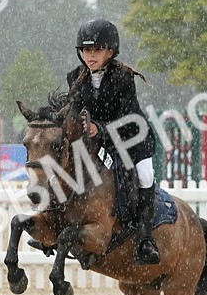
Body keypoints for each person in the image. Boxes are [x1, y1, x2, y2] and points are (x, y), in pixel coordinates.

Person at [66, 18, 161, 265]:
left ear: (110, 51)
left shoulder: (123, 77)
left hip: (131, 137)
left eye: (96, 50)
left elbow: (128, 118)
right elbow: (73, 110)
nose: (90, 56)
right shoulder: (75, 77)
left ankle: (144, 239)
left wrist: (101, 129)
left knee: (144, 175)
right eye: (86, 50)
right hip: (96, 141)